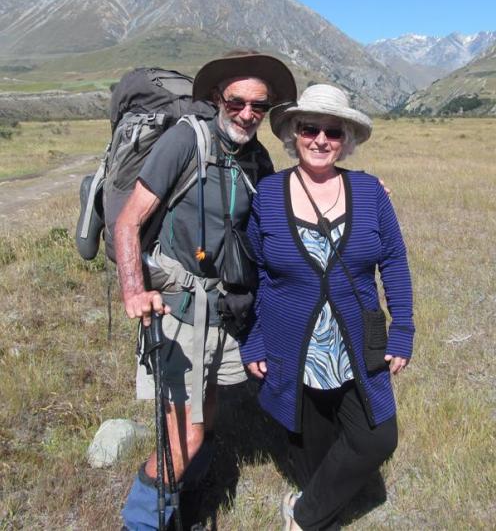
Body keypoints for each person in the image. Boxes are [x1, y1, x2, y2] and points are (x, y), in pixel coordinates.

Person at [115, 51, 297, 530]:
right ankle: (142, 522)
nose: (246, 113)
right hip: (179, 308)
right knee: (185, 437)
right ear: (218, 97)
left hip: (226, 307)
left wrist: (361, 190)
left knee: (207, 410)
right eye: (237, 101)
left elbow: (280, 218)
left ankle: (188, 504)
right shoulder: (184, 142)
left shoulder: (257, 157)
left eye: (258, 106)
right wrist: (134, 289)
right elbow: (128, 221)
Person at [239, 84, 414, 531]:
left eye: (331, 132)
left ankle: (300, 516)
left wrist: (403, 330)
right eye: (309, 128)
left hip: (356, 339)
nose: (320, 139)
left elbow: (393, 262)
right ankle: (318, 514)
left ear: (346, 139)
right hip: (291, 339)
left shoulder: (371, 193)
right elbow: (255, 272)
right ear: (293, 134)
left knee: (377, 437)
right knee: (311, 445)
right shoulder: (269, 195)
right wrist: (254, 338)